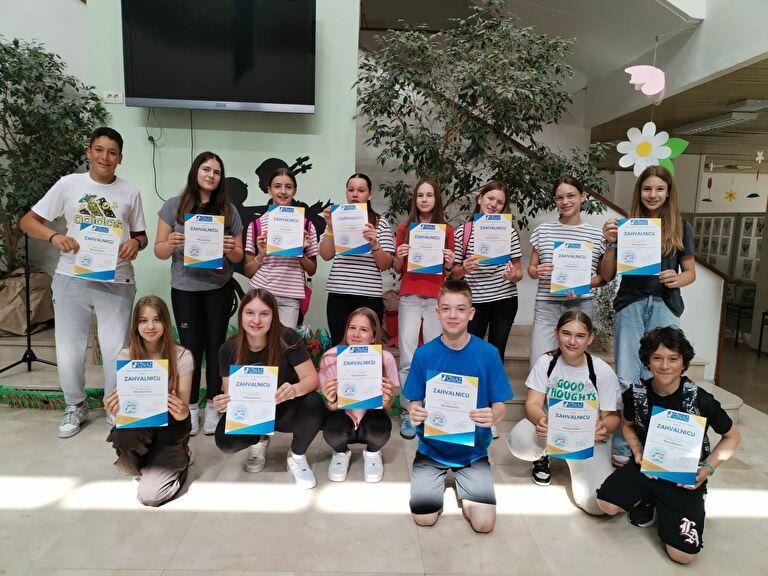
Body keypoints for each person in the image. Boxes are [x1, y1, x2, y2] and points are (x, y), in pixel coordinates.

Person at [20, 127, 148, 438]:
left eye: (112, 152)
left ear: (120, 158)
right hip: (71, 277)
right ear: (89, 152)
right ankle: (74, 406)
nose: (105, 157)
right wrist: (54, 236)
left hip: (117, 279)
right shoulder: (69, 184)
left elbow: (141, 236)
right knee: (69, 348)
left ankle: (114, 406)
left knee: (115, 349)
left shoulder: (130, 191)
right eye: (99, 150)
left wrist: (136, 244)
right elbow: (28, 221)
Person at [596, 327, 741, 564]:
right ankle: (649, 499)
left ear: (684, 363)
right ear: (647, 361)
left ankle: (670, 506)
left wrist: (707, 469)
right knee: (606, 504)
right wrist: (637, 451)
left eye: (673, 359)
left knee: (683, 555)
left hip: (683, 478)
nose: (665, 366)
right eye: (657, 358)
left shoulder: (700, 399)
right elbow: (628, 426)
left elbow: (732, 437)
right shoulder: (637, 393)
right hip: (648, 467)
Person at [600, 165, 696, 465]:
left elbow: (690, 273)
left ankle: (656, 447)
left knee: (662, 376)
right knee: (627, 376)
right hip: (631, 304)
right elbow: (607, 274)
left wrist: (677, 279)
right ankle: (623, 445)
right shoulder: (627, 226)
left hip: (665, 304)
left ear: (668, 193)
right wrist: (611, 243)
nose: (652, 194)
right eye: (647, 188)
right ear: (639, 192)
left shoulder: (681, 226)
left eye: (659, 189)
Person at [404, 279, 512, 533]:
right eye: (446, 308)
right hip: (432, 449)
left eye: (460, 309)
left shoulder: (488, 354)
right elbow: (414, 400)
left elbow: (500, 405)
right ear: (438, 312)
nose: (453, 315)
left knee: (484, 524)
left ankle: (467, 486)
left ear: (471, 313)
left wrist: (493, 415)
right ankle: (434, 479)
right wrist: (414, 410)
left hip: (472, 452)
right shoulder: (424, 354)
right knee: (425, 518)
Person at [154, 152, 244, 436]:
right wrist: (170, 242)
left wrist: (230, 249)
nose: (210, 175)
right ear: (195, 172)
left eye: (216, 172)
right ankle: (190, 406)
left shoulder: (229, 210)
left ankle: (214, 407)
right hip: (185, 288)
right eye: (206, 169)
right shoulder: (173, 206)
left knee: (217, 346)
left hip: (219, 288)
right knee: (190, 348)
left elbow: (239, 254)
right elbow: (159, 250)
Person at [507, 311, 620, 515]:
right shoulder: (546, 362)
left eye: (580, 336)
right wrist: (542, 420)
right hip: (553, 432)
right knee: (519, 439)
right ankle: (543, 457)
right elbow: (533, 403)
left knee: (596, 506)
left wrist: (603, 427)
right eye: (566, 333)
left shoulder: (602, 371)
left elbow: (613, 417)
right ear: (556, 333)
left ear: (590, 338)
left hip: (587, 440)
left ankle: (579, 465)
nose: (572, 341)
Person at [212, 288, 324, 489]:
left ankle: (297, 455)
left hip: (285, 407)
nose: (256, 320)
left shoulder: (287, 338)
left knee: (314, 403)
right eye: (250, 313)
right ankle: (260, 440)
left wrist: (294, 389)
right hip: (252, 412)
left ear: (273, 316)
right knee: (225, 440)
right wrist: (224, 404)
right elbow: (230, 395)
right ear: (241, 315)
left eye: (264, 314)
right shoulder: (228, 349)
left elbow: (312, 379)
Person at [104, 296, 194, 506]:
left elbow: (183, 413)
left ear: (166, 323)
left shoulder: (182, 356)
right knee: (127, 465)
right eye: (143, 321)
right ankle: (151, 461)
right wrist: (114, 410)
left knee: (150, 497)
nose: (150, 326)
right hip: (139, 424)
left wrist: (179, 409)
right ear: (136, 325)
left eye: (156, 320)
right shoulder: (126, 356)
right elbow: (124, 409)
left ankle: (181, 458)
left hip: (171, 424)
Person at [392, 178, 454, 440]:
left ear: (436, 199)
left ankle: (430, 410)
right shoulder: (405, 228)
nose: (425, 199)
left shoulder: (446, 231)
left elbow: (449, 272)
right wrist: (400, 255)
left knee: (433, 357)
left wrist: (449, 261)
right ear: (415, 199)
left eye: (429, 195)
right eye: (420, 195)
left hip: (435, 300)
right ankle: (409, 411)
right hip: (409, 297)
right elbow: (397, 268)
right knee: (407, 357)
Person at [528, 175, 606, 364]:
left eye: (571, 196)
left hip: (581, 305)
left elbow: (602, 278)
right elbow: (531, 269)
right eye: (560, 198)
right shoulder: (543, 231)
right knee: (540, 361)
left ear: (582, 197)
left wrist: (583, 284)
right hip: (547, 306)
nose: (565, 202)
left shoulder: (596, 236)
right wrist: (536, 271)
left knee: (573, 363)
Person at [319, 307, 398, 482]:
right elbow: (330, 407)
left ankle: (372, 453)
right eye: (352, 328)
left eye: (363, 330)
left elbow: (387, 407)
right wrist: (331, 399)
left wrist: (387, 398)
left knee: (380, 427)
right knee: (332, 429)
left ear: (373, 335)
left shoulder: (385, 358)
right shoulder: (330, 357)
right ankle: (341, 453)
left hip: (371, 416)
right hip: (342, 415)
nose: (356, 334)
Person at [451, 181, 523, 361]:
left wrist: (512, 275)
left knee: (496, 353)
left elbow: (519, 272)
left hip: (504, 300)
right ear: (480, 199)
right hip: (474, 302)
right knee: (471, 352)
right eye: (490, 198)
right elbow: (453, 273)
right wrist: (464, 269)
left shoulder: (509, 232)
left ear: (503, 207)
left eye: (499, 202)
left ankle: (492, 381)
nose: (493, 204)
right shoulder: (462, 232)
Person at [319, 173, 395, 344]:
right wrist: (330, 228)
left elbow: (385, 264)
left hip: (369, 295)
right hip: (339, 293)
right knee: (339, 345)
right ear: (346, 192)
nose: (355, 194)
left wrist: (374, 244)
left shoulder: (380, 222)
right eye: (351, 190)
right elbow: (325, 255)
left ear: (369, 195)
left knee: (367, 349)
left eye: (361, 190)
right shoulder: (335, 218)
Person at [244, 168, 318, 329]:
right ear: (269, 190)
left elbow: (312, 270)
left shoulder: (306, 225)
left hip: (290, 299)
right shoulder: (256, 225)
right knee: (258, 342)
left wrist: (300, 253)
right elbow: (248, 271)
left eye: (288, 187)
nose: (283, 192)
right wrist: (261, 254)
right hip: (260, 294)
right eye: (277, 186)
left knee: (285, 343)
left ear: (294, 191)